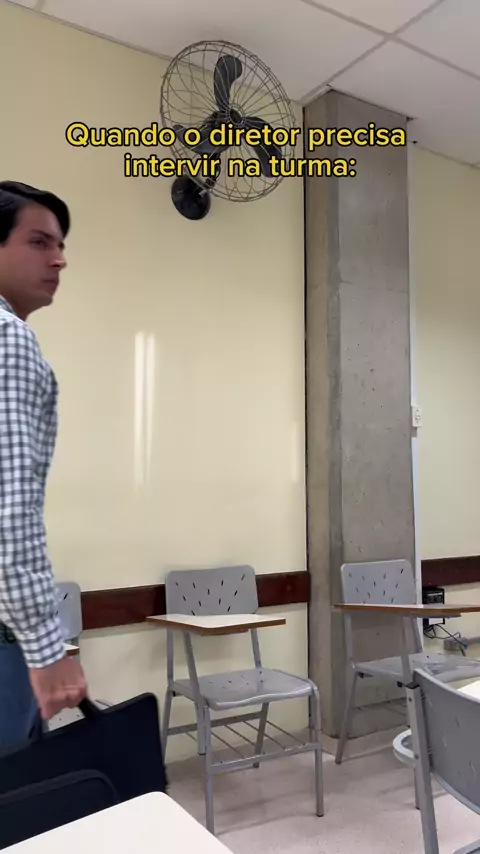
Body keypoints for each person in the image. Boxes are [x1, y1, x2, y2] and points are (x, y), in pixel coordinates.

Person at [0, 180, 88, 757]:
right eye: (39, 242)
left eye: (60, 245)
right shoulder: (9, 339)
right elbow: (8, 508)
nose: (58, 259)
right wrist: (45, 645)